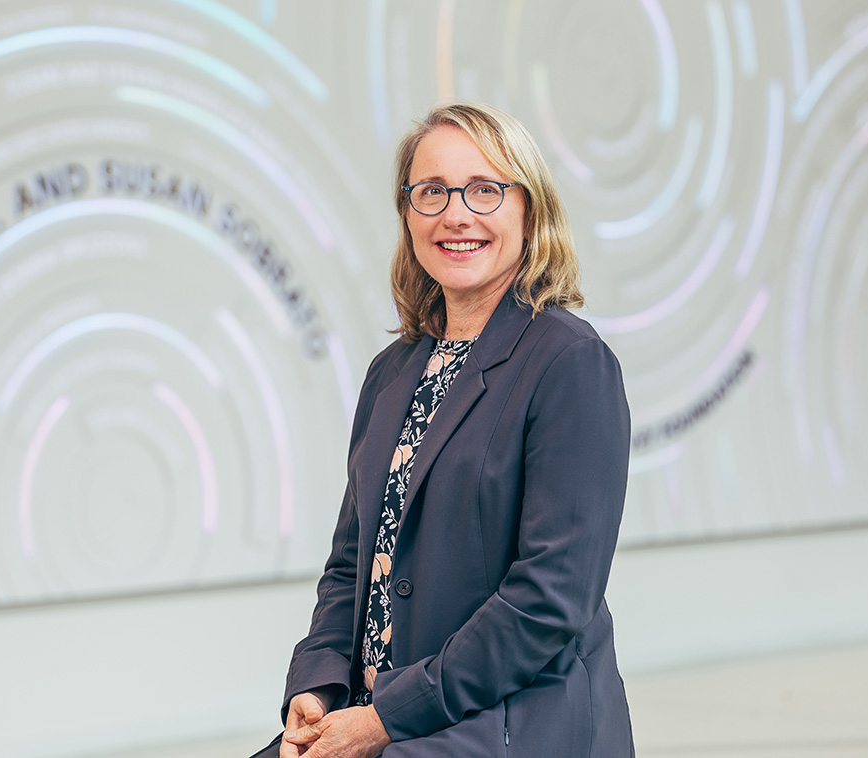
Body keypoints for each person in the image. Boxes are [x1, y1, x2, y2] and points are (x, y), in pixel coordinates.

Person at [255, 101, 634, 757]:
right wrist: (315, 688)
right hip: (381, 719)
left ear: (529, 209)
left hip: (505, 725)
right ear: (407, 213)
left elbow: (548, 603)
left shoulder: (571, 362)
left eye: (485, 189)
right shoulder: (393, 371)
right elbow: (352, 567)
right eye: (432, 192)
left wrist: (380, 722)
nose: (457, 214)